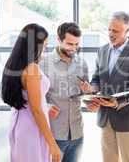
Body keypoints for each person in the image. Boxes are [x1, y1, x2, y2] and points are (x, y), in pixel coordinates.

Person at [79, 11, 129, 162]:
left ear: (127, 30)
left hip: (127, 118)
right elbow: (97, 78)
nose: (111, 33)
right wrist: (91, 89)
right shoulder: (102, 50)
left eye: (115, 31)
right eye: (109, 29)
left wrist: (117, 102)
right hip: (105, 117)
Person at [1, 23, 61, 162]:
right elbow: (36, 111)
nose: (44, 50)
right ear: (35, 46)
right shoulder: (32, 68)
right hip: (32, 129)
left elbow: (28, 99)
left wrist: (46, 107)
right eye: (44, 46)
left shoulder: (16, 64)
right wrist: (52, 144)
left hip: (20, 124)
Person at [40, 22, 88, 162]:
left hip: (77, 133)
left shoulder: (82, 63)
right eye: (69, 44)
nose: (73, 48)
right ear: (59, 40)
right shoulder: (44, 63)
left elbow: (85, 92)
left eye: (76, 44)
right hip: (54, 133)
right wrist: (48, 107)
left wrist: (87, 91)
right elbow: (34, 97)